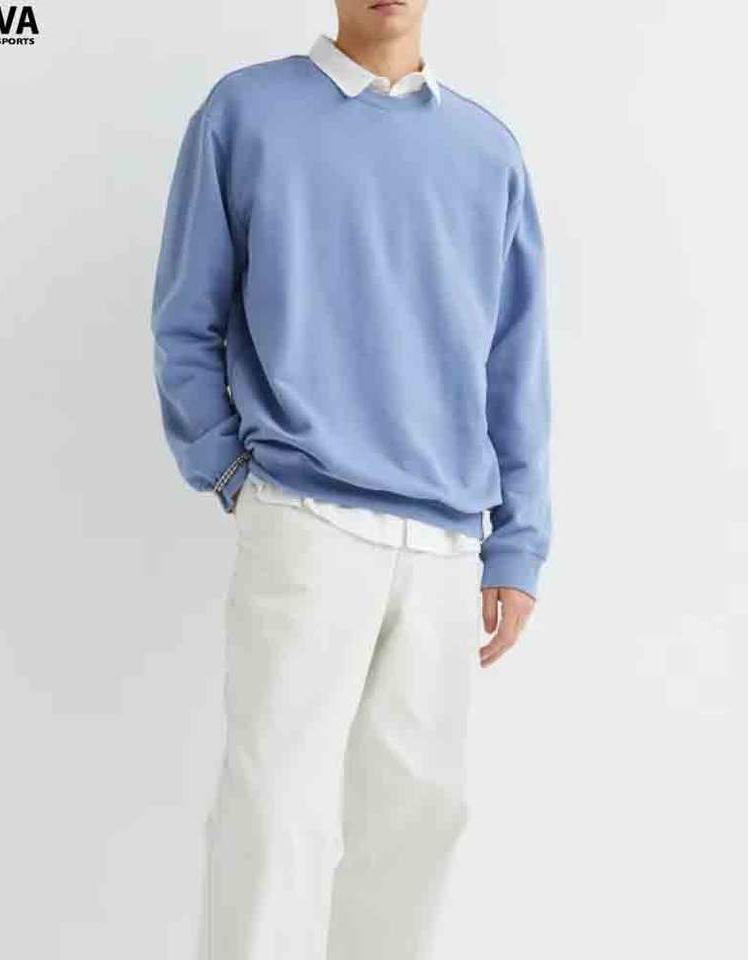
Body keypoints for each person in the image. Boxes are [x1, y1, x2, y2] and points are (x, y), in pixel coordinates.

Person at [151, 1, 551, 956]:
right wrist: (231, 471)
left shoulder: (488, 151)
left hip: (446, 542)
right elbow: (185, 321)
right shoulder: (245, 115)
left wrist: (519, 542)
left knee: (419, 825)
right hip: (305, 518)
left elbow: (514, 363)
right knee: (275, 814)